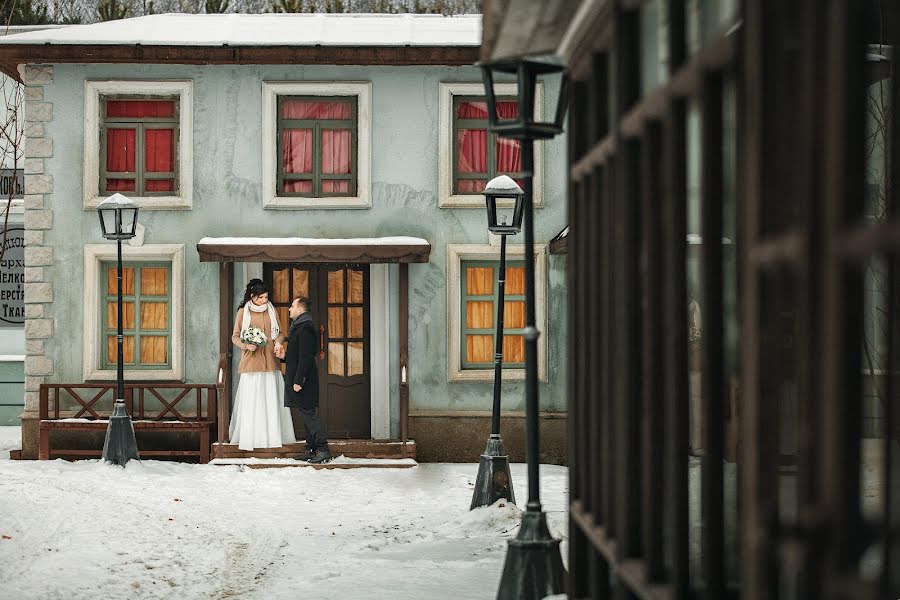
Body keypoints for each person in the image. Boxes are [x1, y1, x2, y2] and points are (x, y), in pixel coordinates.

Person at [229, 279, 296, 451]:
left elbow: (280, 333)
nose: (265, 301)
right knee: (254, 402)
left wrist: (279, 343)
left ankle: (272, 438)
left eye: (266, 297)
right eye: (261, 298)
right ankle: (253, 439)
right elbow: (235, 336)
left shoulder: (271, 311)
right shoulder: (243, 313)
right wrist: (246, 345)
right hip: (252, 364)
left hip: (271, 363)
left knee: (271, 401)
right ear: (252, 297)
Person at [278, 296, 330, 463]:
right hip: (300, 378)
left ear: (300, 309)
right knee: (306, 414)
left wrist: (299, 381)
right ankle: (310, 449)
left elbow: (306, 358)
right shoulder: (299, 327)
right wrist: (284, 356)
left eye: (292, 306)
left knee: (309, 416)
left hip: (304, 381)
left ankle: (323, 449)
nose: (289, 309)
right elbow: (297, 356)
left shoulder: (305, 328)